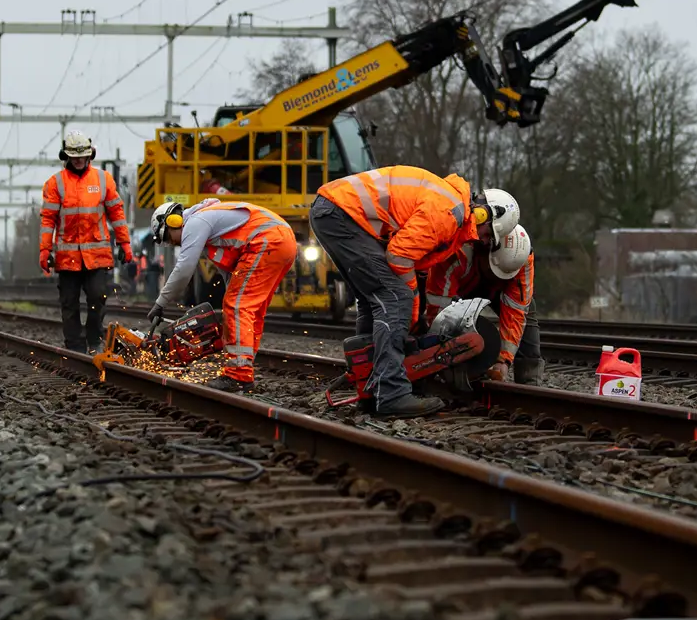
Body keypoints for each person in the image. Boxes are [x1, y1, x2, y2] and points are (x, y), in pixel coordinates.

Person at [310, 166, 518, 418]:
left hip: (335, 211)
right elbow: (399, 257)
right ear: (485, 214)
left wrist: (412, 313)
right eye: (489, 235)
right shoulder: (449, 212)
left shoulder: (449, 204)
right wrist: (410, 304)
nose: (483, 241)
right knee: (394, 298)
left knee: (372, 301)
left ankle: (370, 388)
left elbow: (410, 258)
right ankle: (392, 394)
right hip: (342, 214)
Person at [149, 199, 298, 392]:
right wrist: (229, 324)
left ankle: (238, 375)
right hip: (282, 242)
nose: (174, 243)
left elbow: (184, 270)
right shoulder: (209, 224)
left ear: (173, 222)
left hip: (268, 241)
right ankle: (242, 363)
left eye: (169, 238)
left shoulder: (195, 223)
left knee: (238, 306)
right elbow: (231, 275)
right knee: (249, 309)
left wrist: (160, 303)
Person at [40, 131, 134, 352]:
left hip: (97, 257)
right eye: (74, 156)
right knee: (69, 304)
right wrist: (45, 250)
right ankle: (74, 347)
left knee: (97, 297)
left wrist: (125, 243)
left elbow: (117, 213)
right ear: (67, 156)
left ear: (90, 155)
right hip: (67, 258)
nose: (79, 160)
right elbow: (48, 220)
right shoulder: (55, 184)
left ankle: (94, 338)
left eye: (82, 156)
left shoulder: (103, 180)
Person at [420, 224, 543, 385]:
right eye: (499, 273)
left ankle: (530, 380)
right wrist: (441, 347)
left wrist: (503, 360)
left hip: (495, 290)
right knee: (418, 308)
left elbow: (516, 312)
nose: (502, 277)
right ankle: (417, 370)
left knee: (528, 310)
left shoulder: (522, 259)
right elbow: (437, 309)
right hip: (459, 286)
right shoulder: (459, 253)